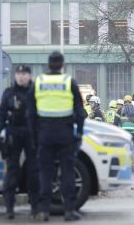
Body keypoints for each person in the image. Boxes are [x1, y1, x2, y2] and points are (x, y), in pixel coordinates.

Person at [28, 51, 86, 221]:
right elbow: (80, 112)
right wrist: (79, 133)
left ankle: (44, 211)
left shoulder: (38, 82)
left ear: (48, 64)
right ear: (62, 65)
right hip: (65, 133)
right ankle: (69, 210)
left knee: (45, 172)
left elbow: (31, 114)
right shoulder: (69, 82)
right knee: (67, 171)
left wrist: (34, 136)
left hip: (44, 133)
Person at [0, 65, 39, 219]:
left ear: (30, 76)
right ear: (15, 76)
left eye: (24, 73)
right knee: (12, 171)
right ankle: (9, 208)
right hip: (13, 134)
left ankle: (35, 207)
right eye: (19, 73)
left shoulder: (35, 92)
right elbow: (1, 116)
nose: (21, 76)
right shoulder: (9, 93)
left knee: (34, 172)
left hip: (31, 135)